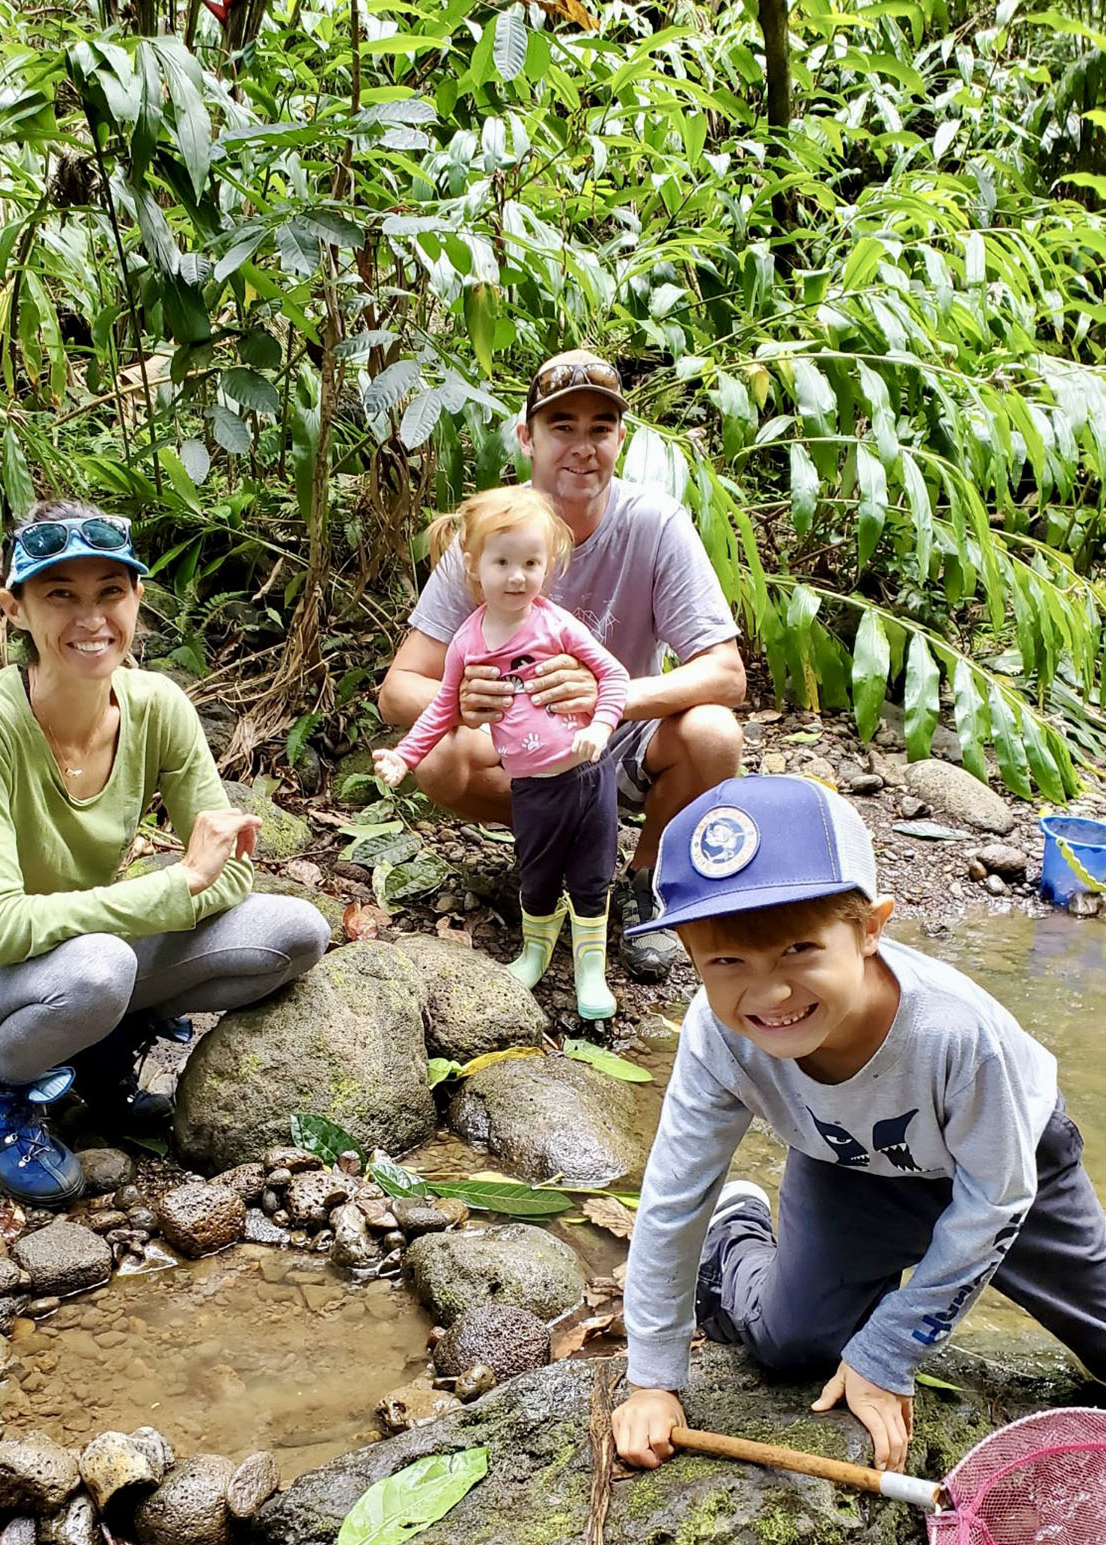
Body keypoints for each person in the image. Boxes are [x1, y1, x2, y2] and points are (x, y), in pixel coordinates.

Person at [611, 774, 1106, 1476]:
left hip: (1010, 1163)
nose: (771, 992)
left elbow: (996, 1196)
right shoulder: (717, 1036)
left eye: (799, 950)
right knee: (793, 1347)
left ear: (872, 927)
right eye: (726, 961)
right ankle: (738, 1236)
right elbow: (672, 1193)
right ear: (691, 958)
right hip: (848, 1166)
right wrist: (653, 1378)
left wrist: (889, 1349)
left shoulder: (954, 1032)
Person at [0, 502, 331, 1209]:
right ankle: (6, 1093)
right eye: (59, 594)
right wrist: (178, 883)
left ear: (138, 599)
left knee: (296, 931)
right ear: (16, 609)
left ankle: (96, 1052)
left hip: (79, 951)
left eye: (109, 592)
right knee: (101, 968)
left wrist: (177, 887)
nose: (90, 618)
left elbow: (235, 867)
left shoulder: (159, 706)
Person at [378, 348, 746, 984]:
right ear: (527, 438)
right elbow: (398, 689)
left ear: (620, 440)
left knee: (714, 734)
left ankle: (645, 881)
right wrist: (465, 698)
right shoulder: (490, 534)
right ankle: (554, 858)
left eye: (600, 430)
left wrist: (613, 695)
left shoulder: (654, 523)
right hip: (522, 749)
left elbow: (725, 675)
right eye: (562, 428)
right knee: (440, 755)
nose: (583, 447)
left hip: (616, 740)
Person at [373, 488, 629, 1020]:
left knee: (591, 876)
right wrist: (403, 755)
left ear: (547, 565)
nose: (518, 577)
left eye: (531, 563)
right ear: (474, 566)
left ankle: (590, 972)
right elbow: (444, 707)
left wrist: (600, 727)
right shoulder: (468, 641)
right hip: (532, 785)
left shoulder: (555, 624)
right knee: (535, 874)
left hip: (588, 773)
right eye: (503, 563)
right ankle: (534, 950)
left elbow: (613, 675)